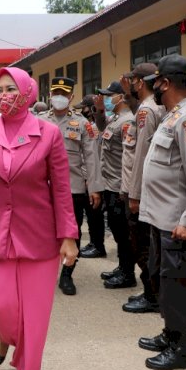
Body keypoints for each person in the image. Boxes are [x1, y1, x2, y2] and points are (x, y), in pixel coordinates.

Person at [0, 67, 78, 370]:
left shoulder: (48, 134)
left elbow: (61, 188)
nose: (2, 95)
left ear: (28, 92)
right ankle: (4, 339)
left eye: (10, 89)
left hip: (38, 236)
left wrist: (68, 236)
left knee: (35, 313)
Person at [138, 54, 186, 370]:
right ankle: (171, 333)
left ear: (165, 83)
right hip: (160, 218)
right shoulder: (171, 115)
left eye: (156, 82)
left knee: (179, 285)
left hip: (178, 222)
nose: (154, 87)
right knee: (164, 281)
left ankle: (183, 349)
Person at [38, 77, 102, 295]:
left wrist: (93, 188)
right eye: (56, 93)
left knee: (71, 232)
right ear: (50, 95)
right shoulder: (38, 121)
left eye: (64, 94)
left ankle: (67, 275)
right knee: (42, 232)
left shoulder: (83, 124)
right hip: (42, 187)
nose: (59, 97)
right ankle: (42, 271)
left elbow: (91, 158)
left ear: (71, 97)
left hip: (72, 188)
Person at [121, 63, 165, 313]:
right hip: (143, 188)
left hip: (139, 190)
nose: (131, 85)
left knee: (142, 245)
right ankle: (151, 290)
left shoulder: (146, 112)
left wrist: (134, 194)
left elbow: (141, 156)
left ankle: (152, 294)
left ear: (141, 82)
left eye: (133, 81)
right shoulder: (151, 108)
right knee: (145, 244)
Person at [97, 81, 135, 289]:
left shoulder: (127, 121)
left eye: (110, 96)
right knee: (117, 230)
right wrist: (100, 110)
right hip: (110, 184)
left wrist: (125, 189)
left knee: (123, 233)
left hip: (119, 186)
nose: (107, 99)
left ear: (120, 97)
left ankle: (128, 274)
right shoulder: (115, 120)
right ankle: (122, 267)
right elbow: (102, 127)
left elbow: (129, 157)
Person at [73, 94, 107, 259]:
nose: (83, 111)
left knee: (94, 214)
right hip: (88, 175)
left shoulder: (91, 127)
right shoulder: (91, 125)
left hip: (90, 176)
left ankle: (98, 246)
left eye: (84, 108)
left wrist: (89, 178)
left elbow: (90, 156)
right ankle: (94, 242)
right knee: (91, 215)